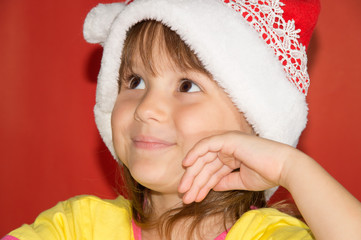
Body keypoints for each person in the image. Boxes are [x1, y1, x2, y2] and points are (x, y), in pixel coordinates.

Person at [3, 0, 361, 239]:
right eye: (135, 81)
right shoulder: (77, 227)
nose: (146, 108)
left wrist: (288, 166)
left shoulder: (267, 235)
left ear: (253, 122)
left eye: (186, 85)